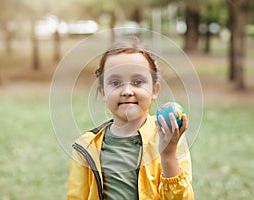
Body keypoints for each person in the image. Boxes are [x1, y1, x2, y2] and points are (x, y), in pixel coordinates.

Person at [67, 37, 194, 199]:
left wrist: (168, 156)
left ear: (154, 90)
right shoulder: (85, 147)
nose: (127, 90)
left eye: (137, 81)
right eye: (115, 82)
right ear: (103, 92)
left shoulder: (168, 138)